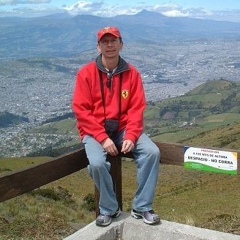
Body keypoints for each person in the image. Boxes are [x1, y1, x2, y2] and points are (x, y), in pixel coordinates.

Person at [72, 26, 161, 227]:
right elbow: (81, 111)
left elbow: (137, 108)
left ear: (121, 45)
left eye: (114, 41)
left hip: (123, 129)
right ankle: (109, 208)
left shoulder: (132, 74)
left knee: (152, 152)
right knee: (96, 163)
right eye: (105, 41)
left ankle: (142, 207)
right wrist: (102, 138)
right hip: (94, 132)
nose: (110, 45)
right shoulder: (86, 74)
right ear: (98, 46)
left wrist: (131, 135)